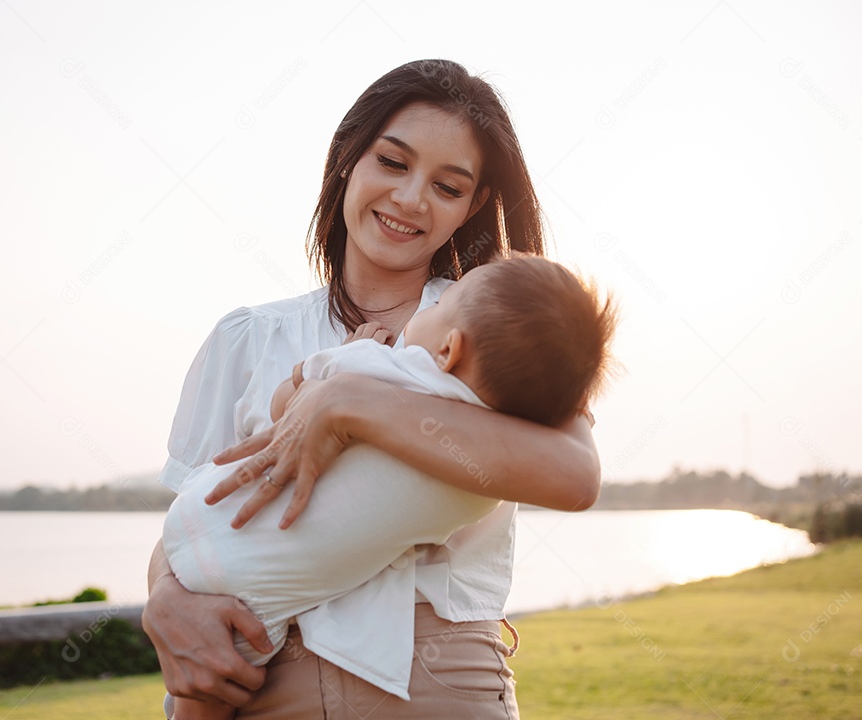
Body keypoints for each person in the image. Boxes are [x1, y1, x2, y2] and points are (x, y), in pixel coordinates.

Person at [143, 59, 604, 720]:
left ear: (471, 206)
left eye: (448, 187)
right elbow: (200, 509)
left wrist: (348, 403)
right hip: (260, 686)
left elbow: (573, 475)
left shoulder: (506, 332)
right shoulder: (247, 339)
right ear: (347, 161)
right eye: (392, 163)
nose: (412, 199)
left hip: (438, 689)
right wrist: (164, 598)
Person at [163, 256, 616, 720]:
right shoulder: (502, 430)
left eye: (450, 187)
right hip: (264, 618)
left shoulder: (381, 360)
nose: (412, 200)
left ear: (448, 350)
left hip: (242, 569)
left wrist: (336, 387)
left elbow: (283, 407)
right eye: (396, 174)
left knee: (213, 687)